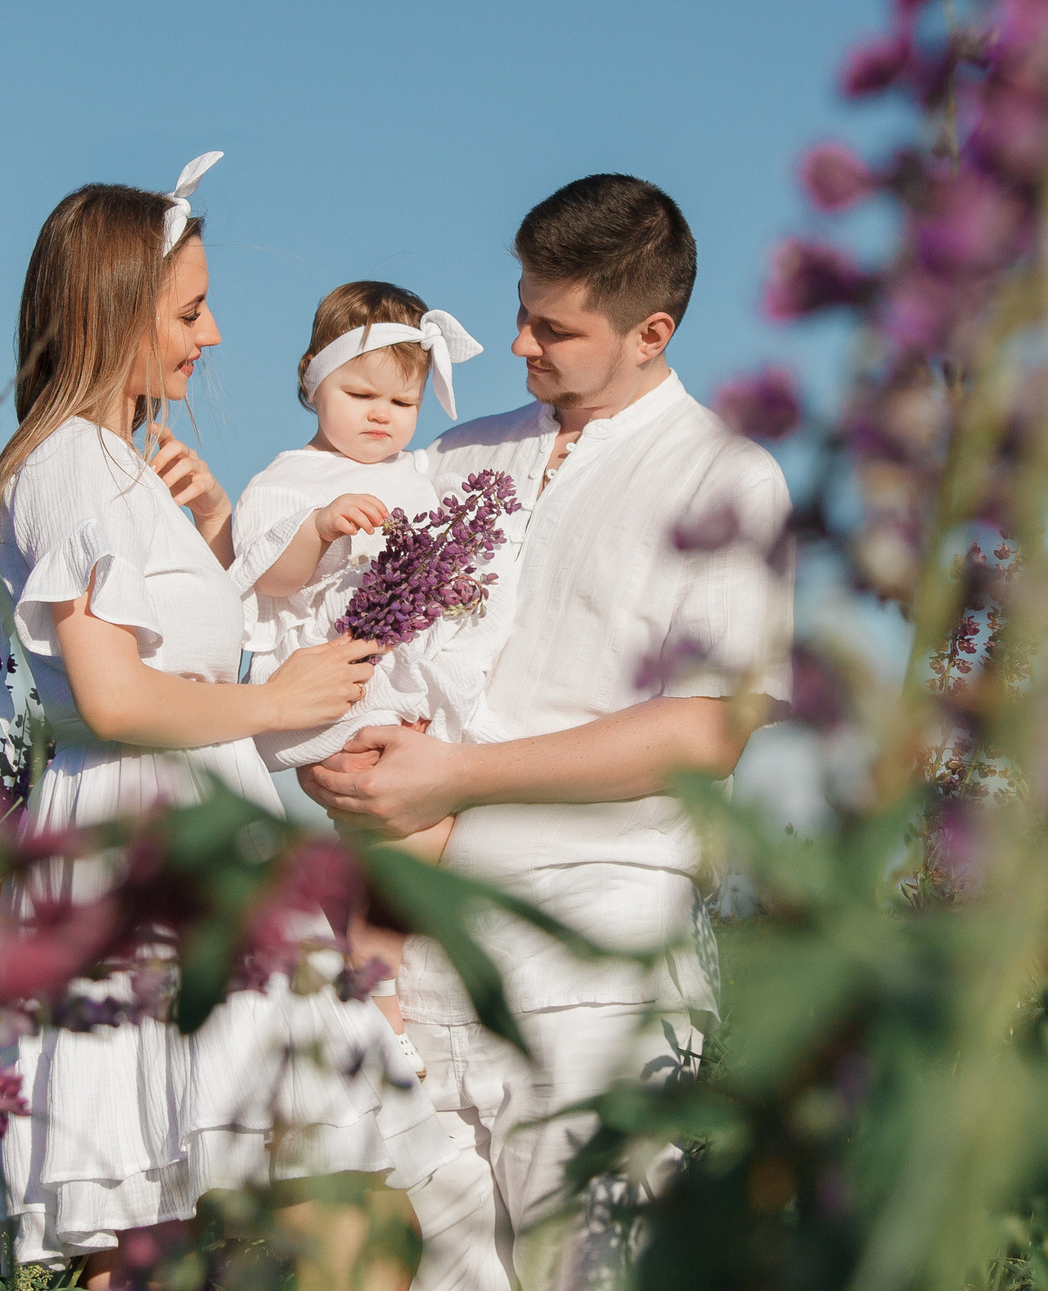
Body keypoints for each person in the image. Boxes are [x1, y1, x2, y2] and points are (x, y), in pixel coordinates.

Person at [0, 154, 454, 1285]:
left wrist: (221, 532)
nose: (213, 335)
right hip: (149, 841)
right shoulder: (70, 464)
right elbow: (114, 696)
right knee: (254, 1209)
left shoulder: (116, 465)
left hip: (193, 830)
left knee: (216, 1212)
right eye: (188, 312)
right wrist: (277, 700)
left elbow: (180, 651)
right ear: (113, 310)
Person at [301, 174, 794, 1291]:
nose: (519, 342)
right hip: (410, 947)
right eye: (521, 310)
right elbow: (350, 638)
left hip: (595, 962)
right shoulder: (454, 457)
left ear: (650, 332)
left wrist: (455, 776)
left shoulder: (728, 477)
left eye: (555, 328)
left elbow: (707, 734)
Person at [230, 281, 504, 1082]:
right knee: (403, 834)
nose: (382, 415)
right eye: (361, 394)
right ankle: (377, 998)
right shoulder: (288, 478)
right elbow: (267, 578)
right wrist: (318, 528)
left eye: (403, 401)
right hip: (344, 684)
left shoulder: (419, 474)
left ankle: (357, 965)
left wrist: (455, 582)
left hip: (416, 680)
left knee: (420, 840)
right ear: (313, 378)